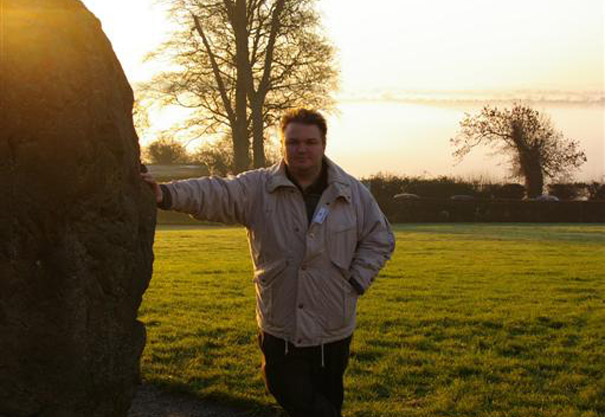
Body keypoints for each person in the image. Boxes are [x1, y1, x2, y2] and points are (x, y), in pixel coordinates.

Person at [141, 108, 394, 417]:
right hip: (280, 323)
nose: (301, 149)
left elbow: (380, 237)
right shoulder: (258, 188)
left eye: (310, 142)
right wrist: (165, 194)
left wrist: (355, 281)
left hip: (333, 326)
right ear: (281, 145)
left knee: (326, 399)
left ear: (323, 144)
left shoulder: (352, 192)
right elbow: (215, 192)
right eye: (292, 142)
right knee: (288, 391)